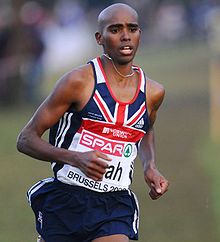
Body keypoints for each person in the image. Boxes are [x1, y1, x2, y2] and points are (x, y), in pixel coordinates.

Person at [17, 3, 169, 242]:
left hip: (114, 203)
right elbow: (26, 139)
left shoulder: (153, 92)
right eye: (115, 29)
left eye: (132, 28)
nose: (125, 36)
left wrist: (149, 165)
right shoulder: (78, 82)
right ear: (100, 37)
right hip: (66, 200)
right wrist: (76, 158)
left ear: (140, 33)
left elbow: (145, 127)